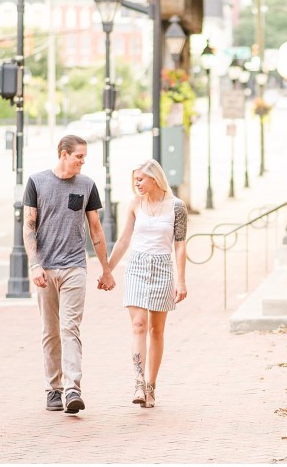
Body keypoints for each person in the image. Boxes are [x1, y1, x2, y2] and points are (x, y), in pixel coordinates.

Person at [23, 134, 116, 414]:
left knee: (70, 328)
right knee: (50, 332)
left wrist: (106, 269)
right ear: (64, 154)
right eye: (79, 157)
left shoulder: (87, 185)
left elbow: (96, 229)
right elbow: (29, 227)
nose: (83, 162)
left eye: (84, 157)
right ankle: (54, 389)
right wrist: (34, 264)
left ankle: (73, 388)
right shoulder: (37, 182)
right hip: (46, 269)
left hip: (75, 266)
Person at [104, 159, 188, 408]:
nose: (137, 184)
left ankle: (151, 385)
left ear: (155, 178)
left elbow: (180, 245)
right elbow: (123, 240)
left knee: (157, 331)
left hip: (163, 267)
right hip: (137, 267)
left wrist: (181, 281)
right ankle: (138, 383)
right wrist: (107, 269)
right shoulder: (134, 205)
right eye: (134, 180)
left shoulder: (177, 207)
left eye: (140, 179)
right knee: (139, 325)